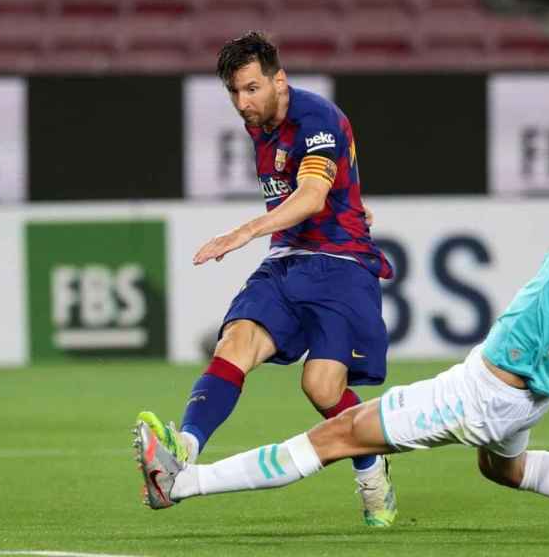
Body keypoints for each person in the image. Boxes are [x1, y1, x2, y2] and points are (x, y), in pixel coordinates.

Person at [133, 0, 549, 534]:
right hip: (530, 398)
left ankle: (182, 485)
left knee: (331, 427)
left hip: (476, 385)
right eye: (235, 92)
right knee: (505, 468)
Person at [136, 31, 398, 526]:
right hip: (286, 261)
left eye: (252, 88)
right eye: (235, 92)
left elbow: (313, 194)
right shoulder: (261, 124)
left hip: (341, 266)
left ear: (280, 79)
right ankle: (182, 452)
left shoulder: (315, 117)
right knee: (234, 343)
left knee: (321, 387)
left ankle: (370, 466)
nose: (243, 102)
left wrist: (245, 231)